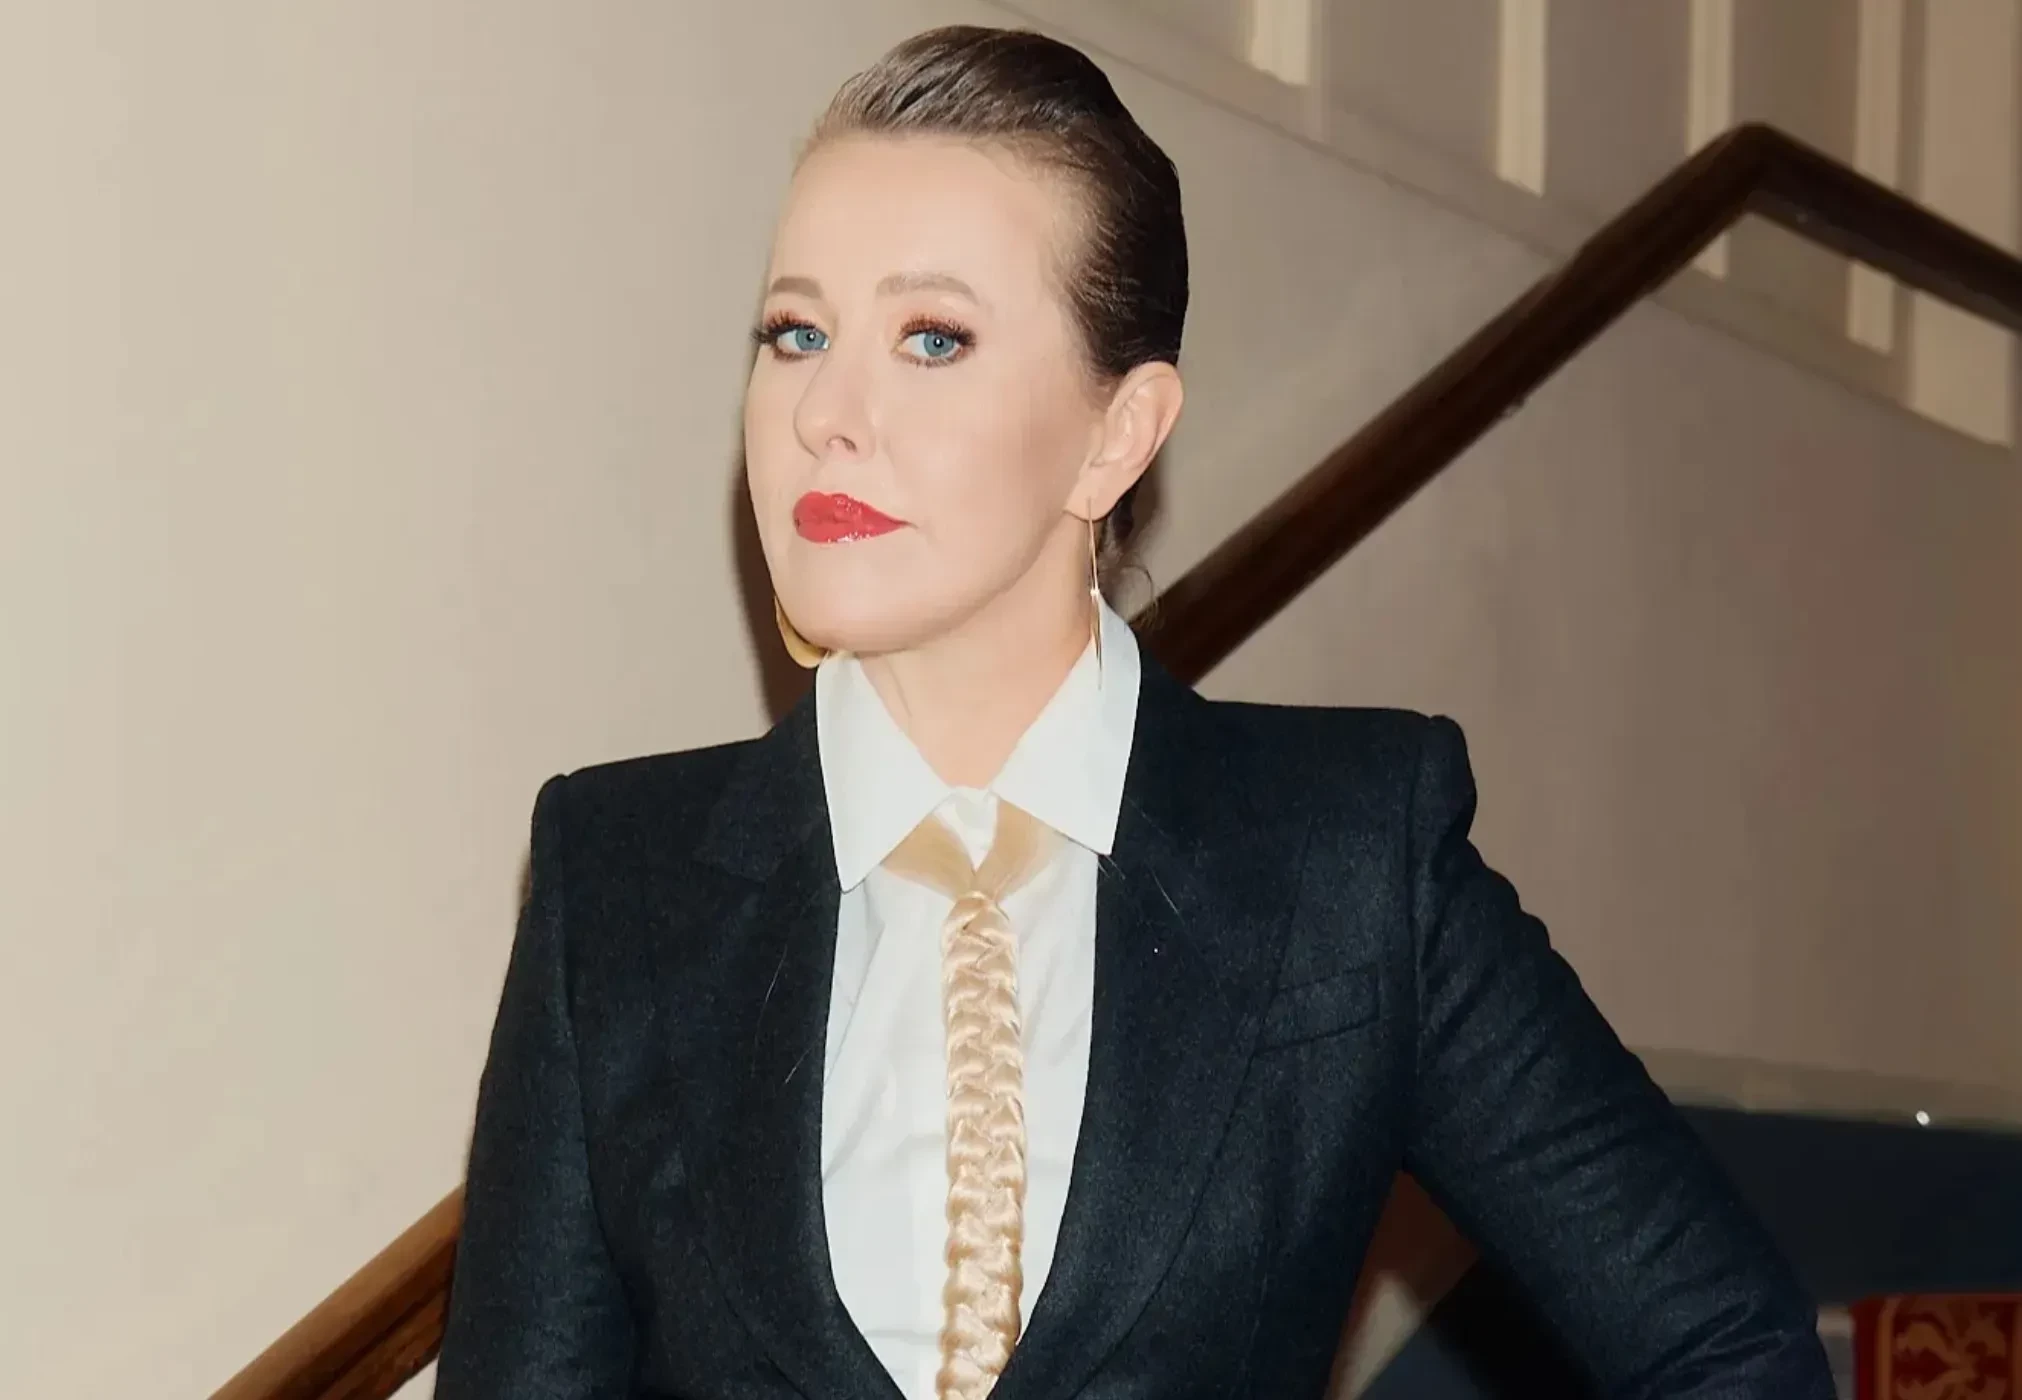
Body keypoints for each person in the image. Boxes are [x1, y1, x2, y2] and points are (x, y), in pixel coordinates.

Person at [435, 25, 1834, 1400]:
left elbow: (1723, 1346)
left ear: (1116, 435)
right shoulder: (614, 881)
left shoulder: (1348, 860)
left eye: (932, 338)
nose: (823, 413)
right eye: (796, 332)